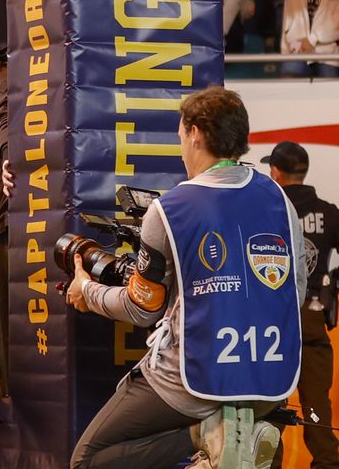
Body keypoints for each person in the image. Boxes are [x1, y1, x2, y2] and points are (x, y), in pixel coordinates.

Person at [67, 87, 305, 469]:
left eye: (180, 133)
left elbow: (141, 308)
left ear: (195, 133)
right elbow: (295, 291)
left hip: (195, 380)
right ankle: (220, 445)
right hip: (270, 382)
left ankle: (206, 436)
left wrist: (87, 290)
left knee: (88, 459)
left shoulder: (170, 209)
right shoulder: (279, 199)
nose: (180, 144)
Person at [262, 141, 337, 469]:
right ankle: (328, 463)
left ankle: (268, 462)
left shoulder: (265, 210)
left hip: (272, 323)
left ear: (276, 172)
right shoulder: (329, 212)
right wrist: (334, 280)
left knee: (270, 405)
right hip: (311, 317)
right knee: (317, 406)